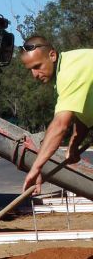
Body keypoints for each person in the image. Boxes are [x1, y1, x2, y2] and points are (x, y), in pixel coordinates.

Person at [20, 36, 93, 194]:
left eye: (37, 66)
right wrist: (74, 145)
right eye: (30, 69)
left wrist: (36, 168)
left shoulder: (71, 70)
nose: (34, 74)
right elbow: (84, 113)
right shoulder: (65, 71)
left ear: (52, 55)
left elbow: (60, 125)